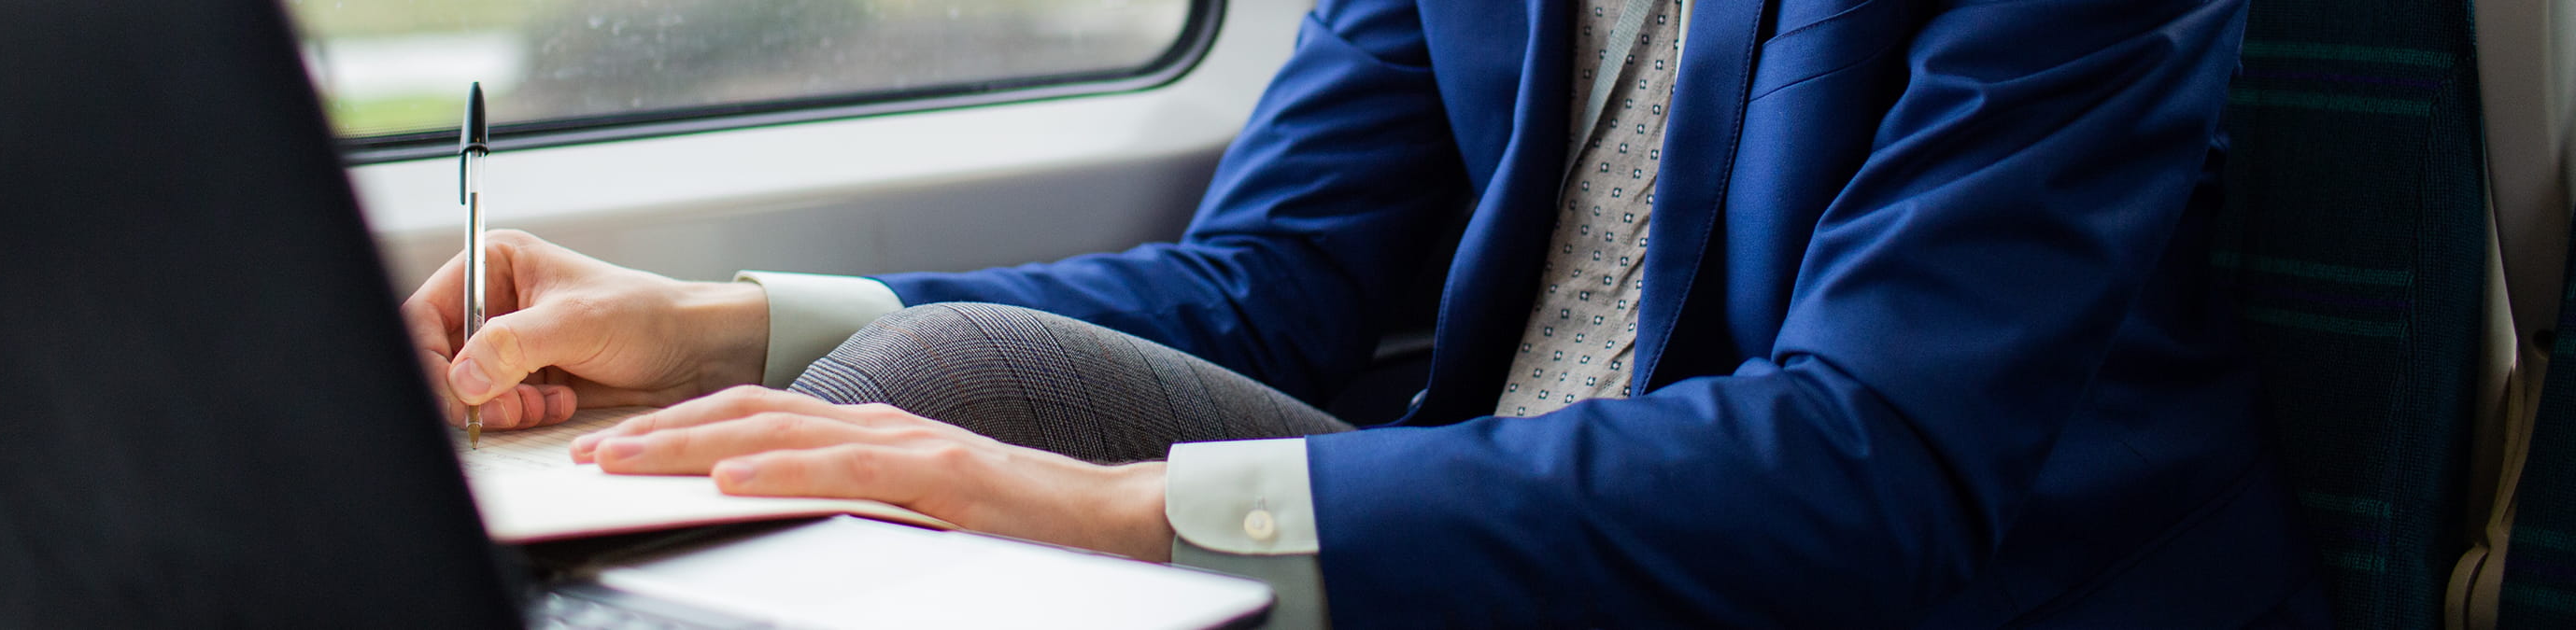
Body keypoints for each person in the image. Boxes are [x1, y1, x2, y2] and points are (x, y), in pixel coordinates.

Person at [401, 0, 2330, 625]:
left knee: (959, 453)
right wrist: (724, 321)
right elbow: (1279, 281)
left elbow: (1874, 464)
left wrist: (1103, 507)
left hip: (1896, 578)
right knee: (901, 408)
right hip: (1532, 506)